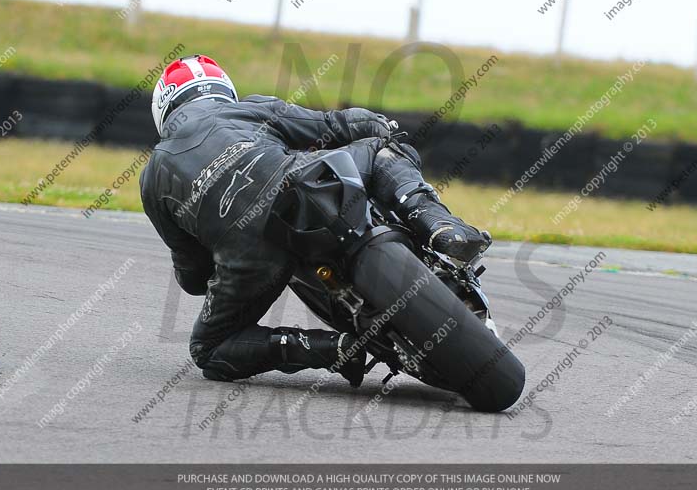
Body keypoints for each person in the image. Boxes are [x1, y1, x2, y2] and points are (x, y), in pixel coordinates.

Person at [140, 54, 491, 388]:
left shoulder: (153, 176)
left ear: (164, 111)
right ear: (224, 90)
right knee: (383, 150)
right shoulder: (250, 107)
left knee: (209, 349)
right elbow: (334, 125)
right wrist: (382, 128)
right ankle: (442, 227)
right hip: (305, 184)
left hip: (249, 256)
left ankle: (329, 348)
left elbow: (192, 275)